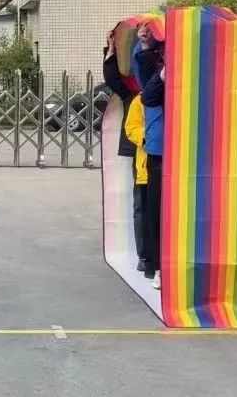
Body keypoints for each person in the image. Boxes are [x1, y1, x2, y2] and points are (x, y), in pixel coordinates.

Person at [103, 31, 144, 269]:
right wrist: (111, 50)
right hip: (142, 153)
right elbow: (112, 78)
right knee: (142, 203)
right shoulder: (134, 92)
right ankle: (144, 256)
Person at [135, 23, 165, 291]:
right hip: (160, 152)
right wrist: (145, 44)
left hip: (194, 151)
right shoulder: (158, 73)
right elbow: (149, 96)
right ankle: (158, 266)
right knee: (157, 212)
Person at [124, 93, 148, 272]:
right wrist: (148, 137)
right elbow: (131, 127)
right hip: (146, 168)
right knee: (142, 212)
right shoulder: (140, 100)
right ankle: (144, 255)